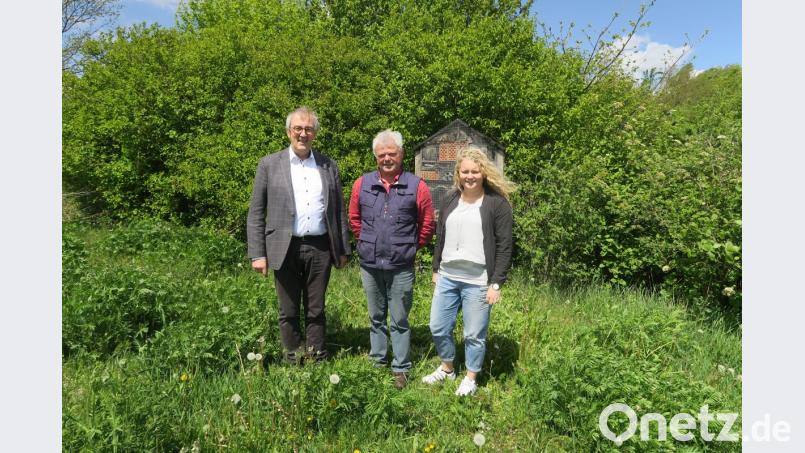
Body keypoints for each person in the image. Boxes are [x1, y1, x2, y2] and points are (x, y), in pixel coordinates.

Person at [246, 106, 351, 365]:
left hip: (320, 246)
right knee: (288, 309)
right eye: (298, 128)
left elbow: (338, 210)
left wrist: (343, 249)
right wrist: (258, 254)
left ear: (314, 133)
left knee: (316, 308)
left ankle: (316, 357)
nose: (303, 134)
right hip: (284, 246)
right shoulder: (269, 164)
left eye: (308, 129)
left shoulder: (328, 165)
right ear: (288, 132)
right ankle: (292, 357)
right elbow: (256, 211)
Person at [422, 146, 515, 396]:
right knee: (438, 326)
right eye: (465, 171)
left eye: (475, 171)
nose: (470, 176)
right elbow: (440, 236)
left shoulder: (497, 204)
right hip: (448, 276)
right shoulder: (451, 198)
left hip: (478, 280)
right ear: (458, 173)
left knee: (474, 333)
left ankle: (471, 377)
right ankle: (448, 368)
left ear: (483, 173)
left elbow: (505, 245)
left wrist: (496, 284)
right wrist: (435, 267)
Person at [348, 129, 435, 389]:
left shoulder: (417, 186)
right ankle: (377, 362)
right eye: (382, 154)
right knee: (376, 317)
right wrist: (367, 243)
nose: (387, 158)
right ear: (376, 157)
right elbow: (354, 219)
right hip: (370, 265)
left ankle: (401, 367)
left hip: (401, 267)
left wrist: (409, 247)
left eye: (392, 154)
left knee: (399, 318)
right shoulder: (361, 184)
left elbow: (427, 224)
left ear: (401, 155)